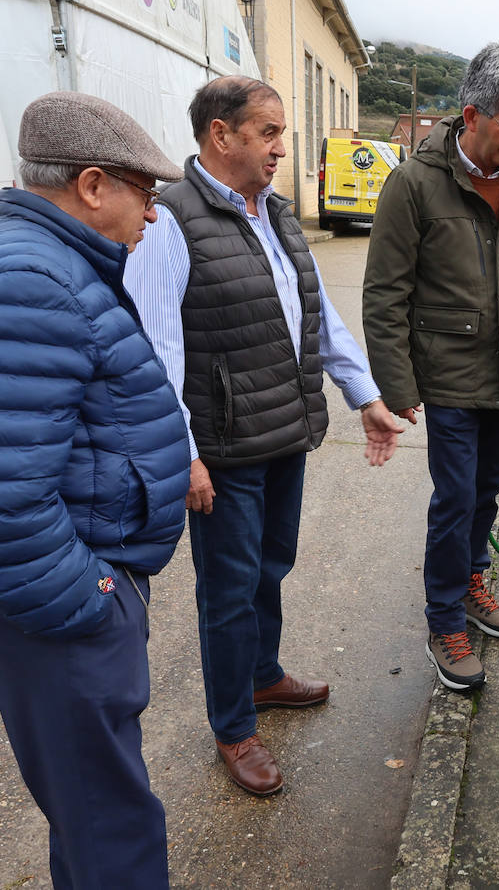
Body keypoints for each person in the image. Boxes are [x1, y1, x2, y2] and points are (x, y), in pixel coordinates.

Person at [0, 91, 190, 889]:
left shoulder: (45, 259)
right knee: (108, 820)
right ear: (90, 186)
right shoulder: (28, 278)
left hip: (76, 590)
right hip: (63, 606)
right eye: (145, 194)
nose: (153, 216)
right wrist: (94, 600)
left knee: (92, 811)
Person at [123, 75, 404, 797]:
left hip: (283, 428)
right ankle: (234, 726)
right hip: (222, 444)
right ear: (222, 135)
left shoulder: (274, 212)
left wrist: (363, 394)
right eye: (269, 132)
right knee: (229, 590)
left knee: (270, 565)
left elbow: (314, 315)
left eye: (281, 133)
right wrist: (182, 453)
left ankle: (264, 675)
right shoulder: (171, 221)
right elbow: (155, 352)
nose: (283, 147)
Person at [362, 43, 499, 691]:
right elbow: (385, 293)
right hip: (449, 376)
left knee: (486, 492)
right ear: (472, 114)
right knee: (454, 499)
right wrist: (396, 385)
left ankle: (472, 578)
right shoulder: (414, 184)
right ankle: (444, 617)